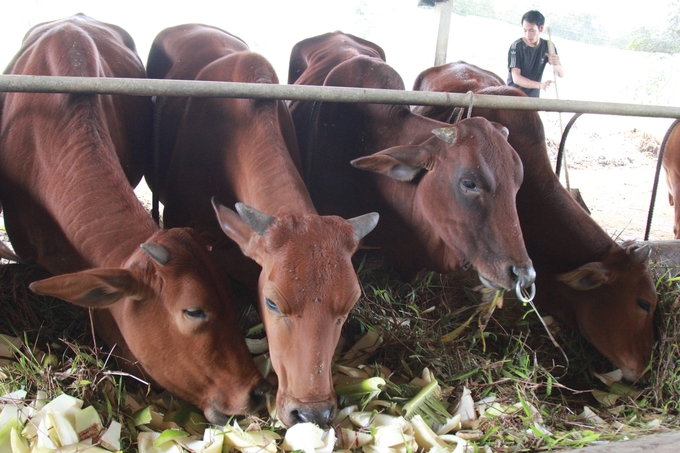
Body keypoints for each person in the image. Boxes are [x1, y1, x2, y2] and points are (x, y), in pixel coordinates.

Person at [507, 10, 564, 98]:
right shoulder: (516, 46)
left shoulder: (548, 46)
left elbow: (561, 74)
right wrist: (540, 85)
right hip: (513, 96)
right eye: (525, 30)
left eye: (531, 31)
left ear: (541, 28)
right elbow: (516, 78)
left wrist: (556, 63)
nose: (527, 34)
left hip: (532, 99)